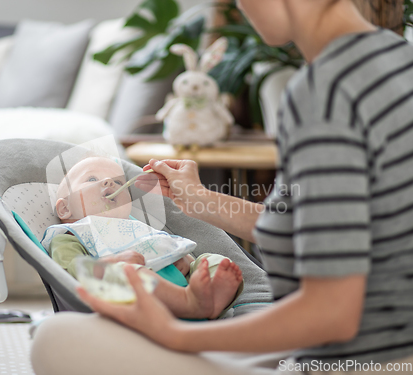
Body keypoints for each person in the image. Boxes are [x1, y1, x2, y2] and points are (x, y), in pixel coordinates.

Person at [31, 0, 413, 374]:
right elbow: (323, 225)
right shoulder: (395, 59)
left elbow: (332, 314)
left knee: (55, 338)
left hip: (362, 359)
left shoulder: (324, 92)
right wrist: (200, 200)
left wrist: (176, 335)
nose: (240, 7)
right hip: (379, 342)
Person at [45, 156, 244, 319]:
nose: (109, 183)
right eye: (91, 179)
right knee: (127, 272)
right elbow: (70, 272)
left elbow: (161, 243)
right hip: (133, 299)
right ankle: (190, 304)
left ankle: (210, 301)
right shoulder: (70, 236)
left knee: (212, 261)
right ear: (65, 208)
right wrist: (113, 262)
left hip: (181, 281)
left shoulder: (132, 226)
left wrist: (184, 260)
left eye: (118, 182)